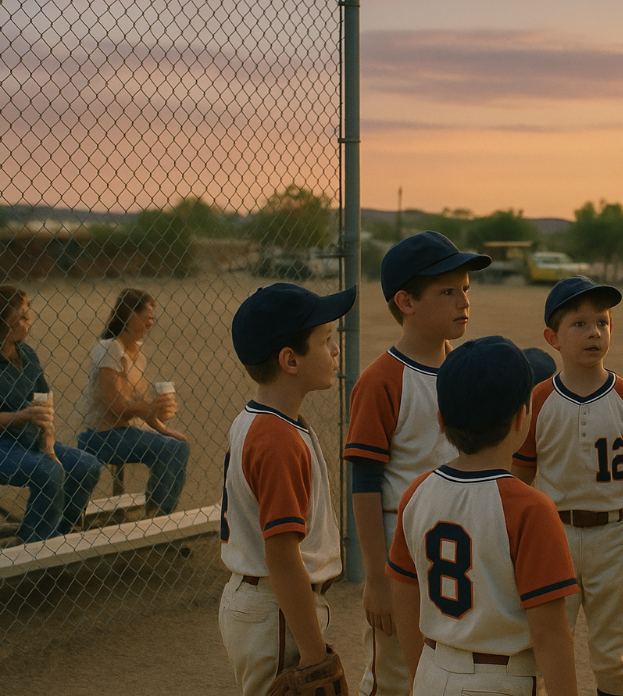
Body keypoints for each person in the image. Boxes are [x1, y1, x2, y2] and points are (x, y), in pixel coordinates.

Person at [386, 336, 580, 696]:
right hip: (498, 681)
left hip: (432, 669)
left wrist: (422, 675)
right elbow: (551, 635)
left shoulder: (417, 492)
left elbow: (403, 592)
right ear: (523, 416)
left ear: (441, 420)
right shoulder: (530, 509)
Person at [343, 231, 490, 696]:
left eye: (465, 288)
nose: (462, 301)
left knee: (442, 666)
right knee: (394, 673)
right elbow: (364, 481)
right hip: (398, 548)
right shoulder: (382, 379)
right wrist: (374, 578)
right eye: (447, 291)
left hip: (454, 547)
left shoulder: (463, 370)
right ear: (405, 301)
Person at [511, 276, 623, 696]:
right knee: (542, 645)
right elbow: (518, 482)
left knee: (614, 655)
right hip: (553, 534)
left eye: (602, 322)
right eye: (579, 324)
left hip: (614, 537)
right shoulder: (539, 399)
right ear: (552, 338)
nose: (594, 332)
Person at [219, 282, 356, 696]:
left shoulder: (266, 420)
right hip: (276, 608)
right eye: (326, 341)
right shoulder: (277, 438)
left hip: (266, 602)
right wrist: (315, 654)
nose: (335, 352)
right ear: (290, 360)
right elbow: (281, 556)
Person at [0, 286, 102, 543]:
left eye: (28, 314)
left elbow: (45, 402)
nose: (29, 320)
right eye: (22, 316)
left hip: (26, 441)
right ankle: (35, 547)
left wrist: (48, 440)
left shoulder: (27, 355)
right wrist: (22, 416)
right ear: (3, 320)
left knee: (86, 466)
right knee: (48, 472)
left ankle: (54, 537)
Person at [77, 289, 190, 516]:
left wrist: (160, 417)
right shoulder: (109, 349)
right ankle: (157, 513)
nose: (152, 317)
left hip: (125, 430)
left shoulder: (136, 351)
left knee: (179, 445)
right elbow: (117, 407)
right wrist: (150, 411)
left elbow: (136, 405)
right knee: (171, 449)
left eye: (153, 312)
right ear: (129, 314)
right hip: (101, 433)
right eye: (147, 311)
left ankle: (158, 511)